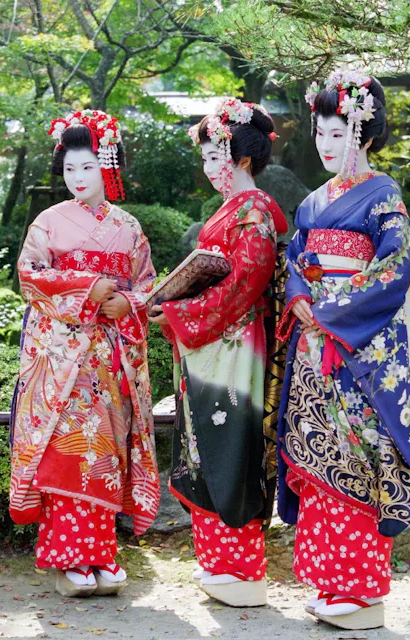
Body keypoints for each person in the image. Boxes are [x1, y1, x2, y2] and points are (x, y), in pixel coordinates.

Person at [276, 70, 410, 630]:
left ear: (362, 134)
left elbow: (394, 269)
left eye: (336, 135)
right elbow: (294, 262)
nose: (325, 145)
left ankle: (361, 590)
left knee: (358, 462)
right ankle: (327, 580)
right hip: (313, 347)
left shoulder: (384, 195)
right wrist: (298, 297)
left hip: (357, 352)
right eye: (319, 135)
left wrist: (330, 307)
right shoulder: (312, 204)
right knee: (319, 464)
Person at [9, 110, 160, 598]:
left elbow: (146, 286)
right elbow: (31, 277)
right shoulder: (48, 223)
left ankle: (101, 554)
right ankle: (69, 556)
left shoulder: (129, 227)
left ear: (108, 165)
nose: (78, 178)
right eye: (71, 169)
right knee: (68, 450)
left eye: (88, 167)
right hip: (62, 358)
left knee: (107, 452)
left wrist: (128, 303)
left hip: (110, 358)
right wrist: (89, 288)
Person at [149, 99, 288, 608]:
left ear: (244, 160)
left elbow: (246, 284)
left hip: (236, 348)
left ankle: (242, 570)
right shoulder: (236, 211)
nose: (210, 170)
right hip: (214, 344)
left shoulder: (255, 211)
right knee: (208, 448)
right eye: (205, 160)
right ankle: (218, 566)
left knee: (231, 448)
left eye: (217, 158)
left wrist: (180, 313)